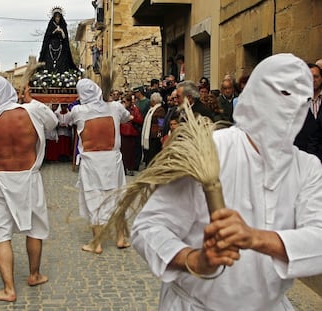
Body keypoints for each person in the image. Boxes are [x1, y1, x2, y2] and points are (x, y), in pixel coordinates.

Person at [130, 53, 322, 310]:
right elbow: (149, 228)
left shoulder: (307, 167)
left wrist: (254, 238)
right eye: (285, 94)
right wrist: (196, 260)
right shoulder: (208, 151)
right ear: (257, 93)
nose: (294, 107)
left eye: (305, 100)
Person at [0, 75, 58, 302]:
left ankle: (9, 289)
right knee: (35, 228)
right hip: (28, 177)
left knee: (0, 234)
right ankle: (34, 274)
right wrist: (30, 101)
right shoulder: (32, 111)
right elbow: (53, 123)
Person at [68, 78, 131, 254]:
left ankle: (97, 243)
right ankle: (120, 237)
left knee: (93, 199)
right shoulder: (115, 107)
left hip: (91, 162)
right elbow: (128, 117)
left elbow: (68, 119)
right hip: (112, 161)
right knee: (118, 196)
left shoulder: (78, 111)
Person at [38, 6, 78, 73]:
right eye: (56, 17)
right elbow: (47, 36)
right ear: (54, 17)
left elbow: (65, 38)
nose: (57, 18)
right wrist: (54, 31)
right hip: (51, 47)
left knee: (63, 61)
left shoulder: (63, 25)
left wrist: (62, 32)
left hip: (60, 47)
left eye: (58, 17)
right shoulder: (51, 25)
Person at [141, 92, 165, 167]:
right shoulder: (151, 110)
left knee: (153, 152)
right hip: (150, 134)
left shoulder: (160, 110)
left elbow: (161, 122)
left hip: (155, 135)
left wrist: (159, 132)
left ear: (154, 101)